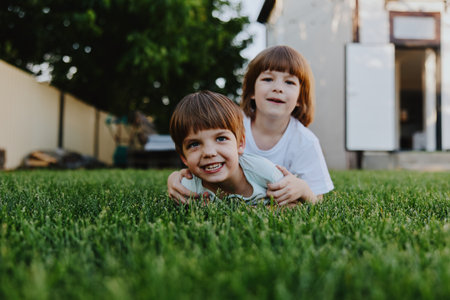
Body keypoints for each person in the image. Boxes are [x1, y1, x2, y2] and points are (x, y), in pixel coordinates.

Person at [168, 45, 333, 205]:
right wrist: (176, 178)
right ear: (252, 91)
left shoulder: (305, 141)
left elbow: (317, 199)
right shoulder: (231, 125)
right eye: (268, 79)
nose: (278, 88)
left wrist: (303, 189)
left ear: (300, 98)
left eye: (289, 82)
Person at [169, 90, 284, 205]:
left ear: (240, 143)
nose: (209, 152)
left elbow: (294, 203)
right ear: (184, 157)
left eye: (221, 139)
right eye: (194, 144)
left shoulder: (266, 173)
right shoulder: (187, 189)